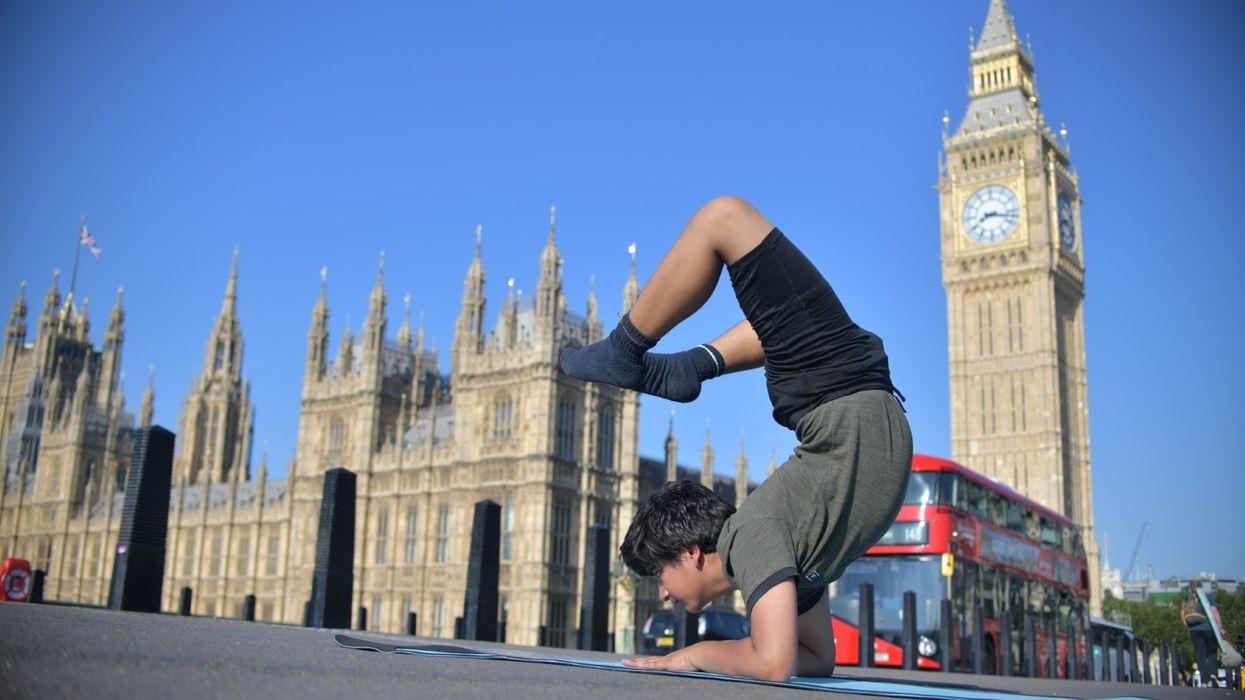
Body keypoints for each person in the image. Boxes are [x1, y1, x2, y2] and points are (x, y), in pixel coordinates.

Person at [559, 196, 912, 681]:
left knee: (722, 218)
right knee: (770, 302)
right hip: (845, 385)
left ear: (690, 553)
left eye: (659, 573)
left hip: (835, 385)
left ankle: (626, 350)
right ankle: (690, 366)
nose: (662, 592)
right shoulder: (781, 557)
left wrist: (690, 655)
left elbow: (773, 663)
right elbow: (814, 659)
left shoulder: (750, 536)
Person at [1182, 580, 1224, 687]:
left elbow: (1183, 614)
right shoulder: (1207, 596)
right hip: (1208, 628)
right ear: (1201, 587)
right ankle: (1213, 674)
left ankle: (1204, 680)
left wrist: (1189, 627)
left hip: (1194, 630)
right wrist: (1220, 627)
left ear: (1191, 588)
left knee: (1200, 654)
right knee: (1212, 651)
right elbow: (1214, 610)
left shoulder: (1188, 599)